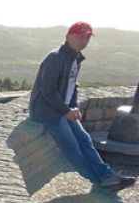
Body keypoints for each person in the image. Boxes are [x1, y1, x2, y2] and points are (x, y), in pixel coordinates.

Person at [27, 21, 135, 192]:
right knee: (72, 146)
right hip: (47, 111)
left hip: (63, 109)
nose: (83, 41)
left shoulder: (75, 58)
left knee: (85, 140)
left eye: (87, 38)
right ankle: (100, 181)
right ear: (68, 36)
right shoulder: (55, 58)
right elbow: (48, 91)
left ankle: (106, 175)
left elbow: (72, 86)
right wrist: (66, 110)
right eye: (79, 36)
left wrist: (73, 107)